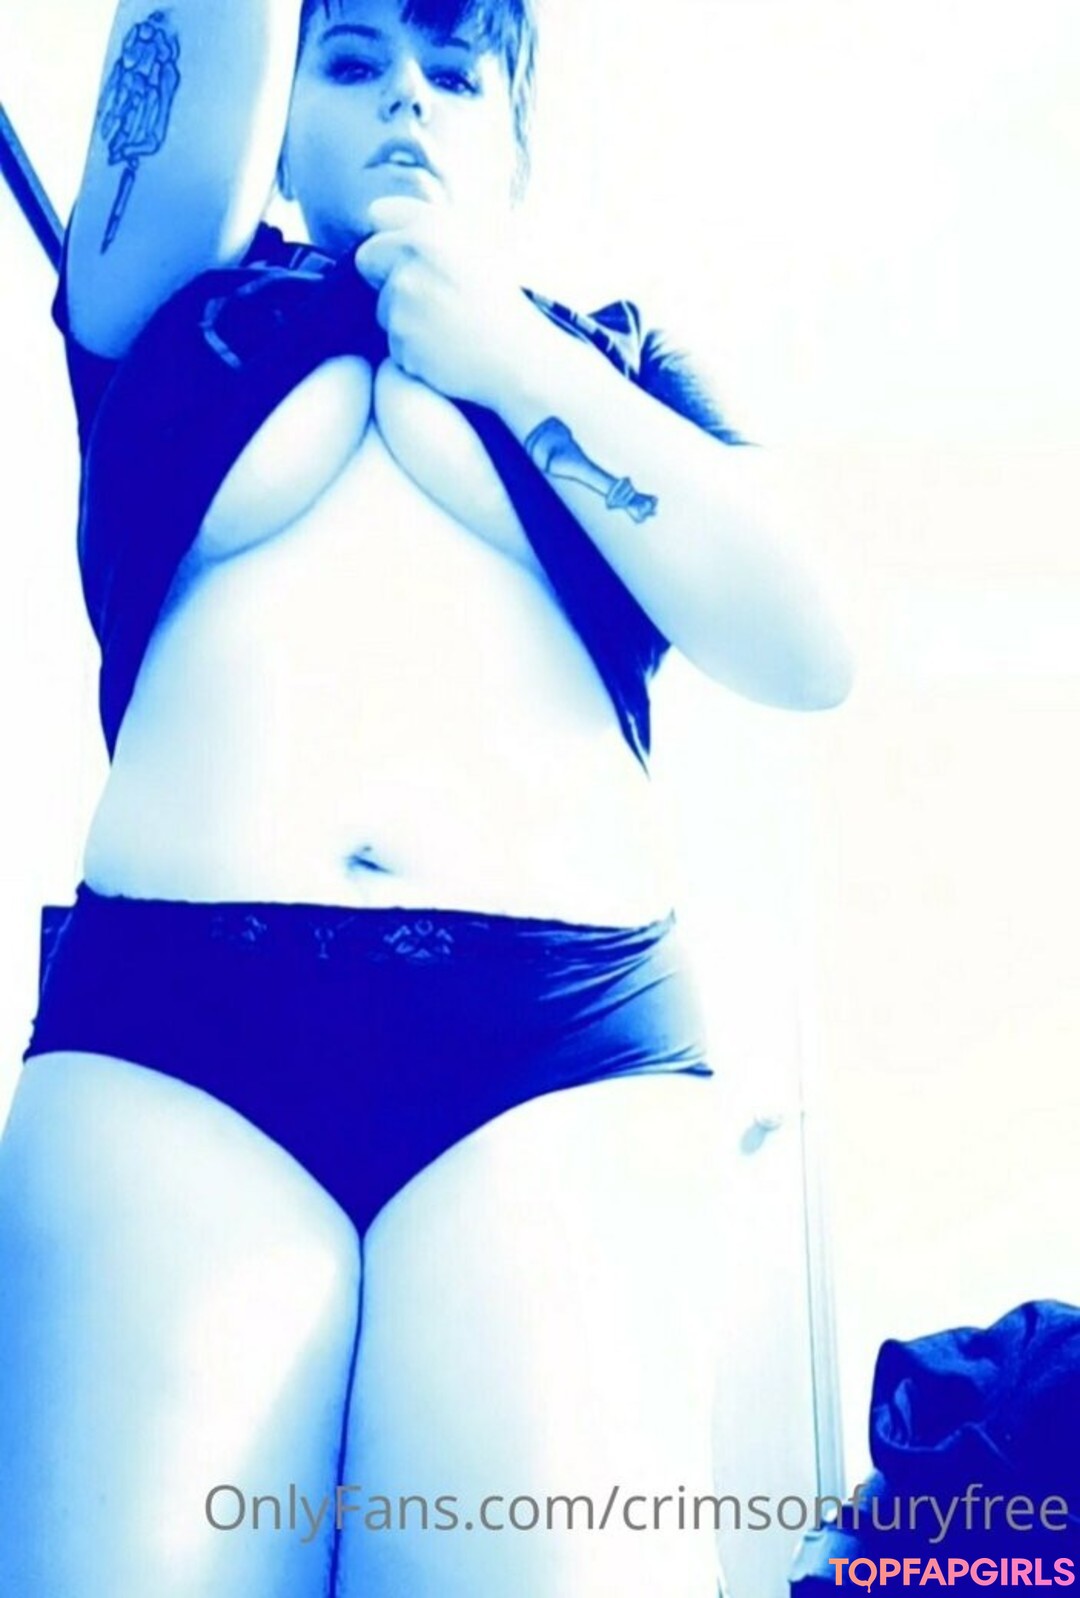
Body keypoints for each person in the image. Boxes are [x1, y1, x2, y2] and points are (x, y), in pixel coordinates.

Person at [0, 0, 853, 1593]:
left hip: (561, 1060)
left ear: (513, 138)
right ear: (281, 121)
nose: (407, 93)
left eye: (456, 71)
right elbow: (191, 46)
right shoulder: (175, 310)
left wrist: (503, 348)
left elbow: (809, 643)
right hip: (171, 1047)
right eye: (353, 61)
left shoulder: (608, 353)